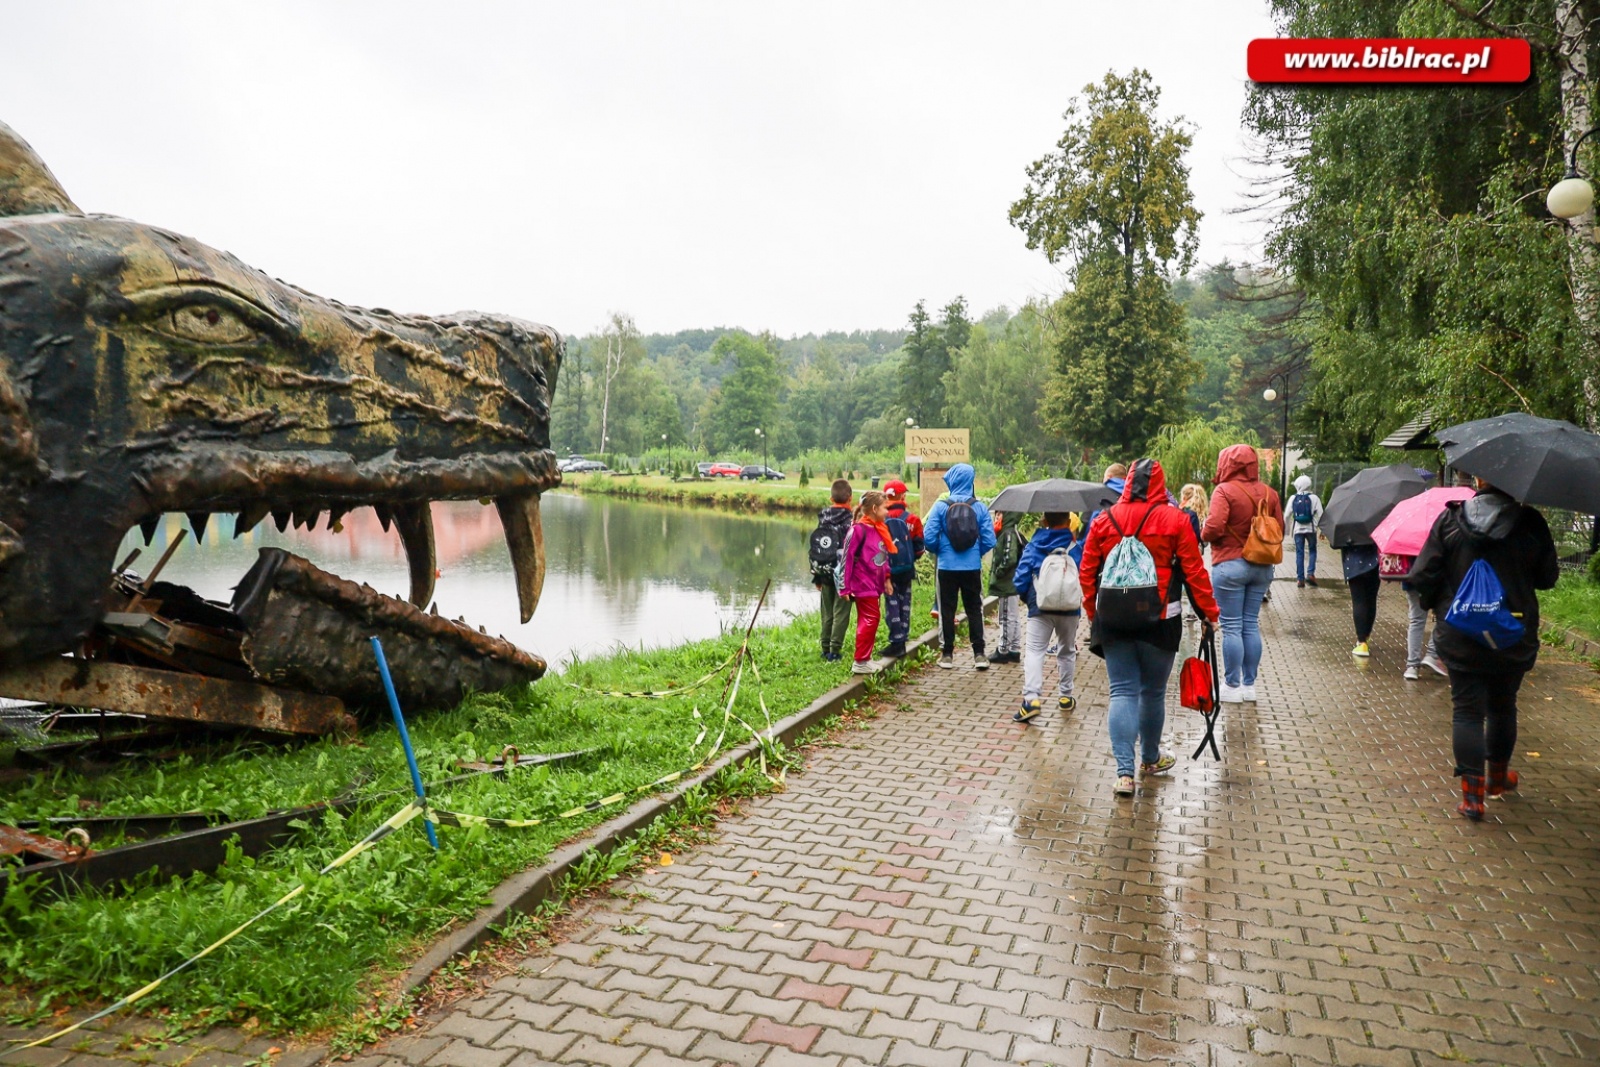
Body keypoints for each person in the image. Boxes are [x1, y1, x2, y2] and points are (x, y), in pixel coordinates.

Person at [1410, 478, 1558, 820]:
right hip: (1512, 633)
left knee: (1468, 712)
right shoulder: (1530, 522)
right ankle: (1497, 777)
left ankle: (1472, 799)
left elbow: (1423, 574)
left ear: (1479, 481)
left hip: (1460, 632)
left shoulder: (1451, 520)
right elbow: (1548, 577)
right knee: (1504, 707)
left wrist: (1440, 606)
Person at [1079, 459, 1220, 798]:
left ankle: (1124, 775)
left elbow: (1087, 571)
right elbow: (1194, 572)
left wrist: (1091, 612)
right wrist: (1209, 614)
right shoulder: (1175, 520)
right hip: (1161, 619)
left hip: (1113, 619)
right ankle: (1151, 759)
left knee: (1122, 691)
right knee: (1153, 693)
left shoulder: (1103, 519)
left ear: (1127, 483)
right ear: (1160, 483)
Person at [1201, 444, 1283, 703]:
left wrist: (1203, 534)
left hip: (1230, 564)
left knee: (1232, 627)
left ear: (1227, 463)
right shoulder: (1270, 493)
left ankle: (1232, 686)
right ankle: (1250, 685)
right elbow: (1279, 527)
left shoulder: (1224, 491)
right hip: (1262, 566)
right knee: (1250, 624)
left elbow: (1214, 527)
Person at [923, 462, 996, 670]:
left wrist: (942, 551)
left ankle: (947, 655)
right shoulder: (979, 507)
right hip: (972, 567)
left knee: (947, 609)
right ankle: (979, 654)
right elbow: (989, 540)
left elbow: (928, 537)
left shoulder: (941, 506)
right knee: (974, 609)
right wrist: (976, 554)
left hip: (946, 567)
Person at [1012, 511, 1084, 723]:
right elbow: (1085, 573)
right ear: (1069, 521)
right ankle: (1065, 696)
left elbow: (1019, 579)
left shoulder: (1034, 545)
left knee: (1035, 651)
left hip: (1040, 607)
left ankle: (1032, 699)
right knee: (1067, 650)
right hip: (1070, 609)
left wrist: (1031, 598)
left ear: (1044, 521)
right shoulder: (1075, 547)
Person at [838, 490, 896, 674]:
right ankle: (860, 661)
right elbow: (846, 560)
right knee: (870, 619)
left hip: (875, 583)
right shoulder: (857, 530)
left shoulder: (879, 528)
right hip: (862, 583)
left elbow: (883, 555)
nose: (887, 512)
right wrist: (844, 587)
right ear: (874, 508)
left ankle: (865, 658)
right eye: (884, 508)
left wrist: (887, 578)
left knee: (872, 619)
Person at [809, 479, 854, 661]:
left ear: (831, 498)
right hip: (844, 574)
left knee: (827, 613)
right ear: (850, 498)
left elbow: (816, 548)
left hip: (824, 571)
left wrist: (817, 577)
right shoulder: (851, 522)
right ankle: (835, 651)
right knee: (841, 613)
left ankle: (824, 647)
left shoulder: (823, 519)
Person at [878, 480, 924, 658]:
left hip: (887, 570)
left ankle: (896, 641)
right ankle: (903, 638)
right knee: (905, 603)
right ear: (903, 496)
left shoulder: (881, 519)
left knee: (892, 604)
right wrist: (910, 558)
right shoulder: (912, 519)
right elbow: (920, 548)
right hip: (906, 569)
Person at [987, 510, 1025, 664]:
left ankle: (1003, 649)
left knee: (1005, 617)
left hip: (1007, 584)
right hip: (1012, 583)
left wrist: (998, 571)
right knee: (1014, 617)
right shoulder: (1012, 532)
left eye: (999, 514)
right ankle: (1014, 649)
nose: (996, 517)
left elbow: (1009, 558)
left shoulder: (1008, 533)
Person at [1341, 542, 1380, 657]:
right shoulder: (1375, 523)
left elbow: (1336, 543)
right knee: (1371, 599)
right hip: (1374, 562)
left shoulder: (1347, 524)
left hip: (1354, 563)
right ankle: (1366, 636)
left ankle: (1361, 641)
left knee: (1359, 601)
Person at [1288, 475, 1324, 588]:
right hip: (1311, 529)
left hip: (1298, 530)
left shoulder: (1293, 498)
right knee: (1312, 550)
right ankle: (1311, 573)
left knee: (1300, 553)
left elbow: (1287, 515)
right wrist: (1321, 530)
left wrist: (1287, 531)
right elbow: (1321, 514)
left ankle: (1300, 579)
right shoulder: (1314, 498)